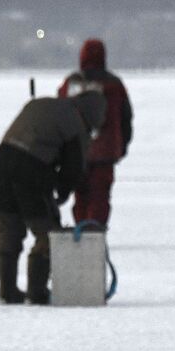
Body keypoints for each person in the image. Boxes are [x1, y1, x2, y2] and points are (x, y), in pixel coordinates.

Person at [0, 91, 107, 304]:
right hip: (32, 172)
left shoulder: (41, 103)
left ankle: (7, 291)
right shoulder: (75, 124)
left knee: (8, 228)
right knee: (48, 233)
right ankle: (37, 292)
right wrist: (61, 193)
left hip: (2, 164)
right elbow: (73, 168)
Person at [56, 38, 132, 229]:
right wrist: (121, 146)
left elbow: (58, 115)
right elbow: (125, 118)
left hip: (76, 150)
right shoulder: (114, 85)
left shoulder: (70, 83)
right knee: (100, 195)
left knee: (80, 194)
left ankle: (82, 230)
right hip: (106, 151)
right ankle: (94, 231)